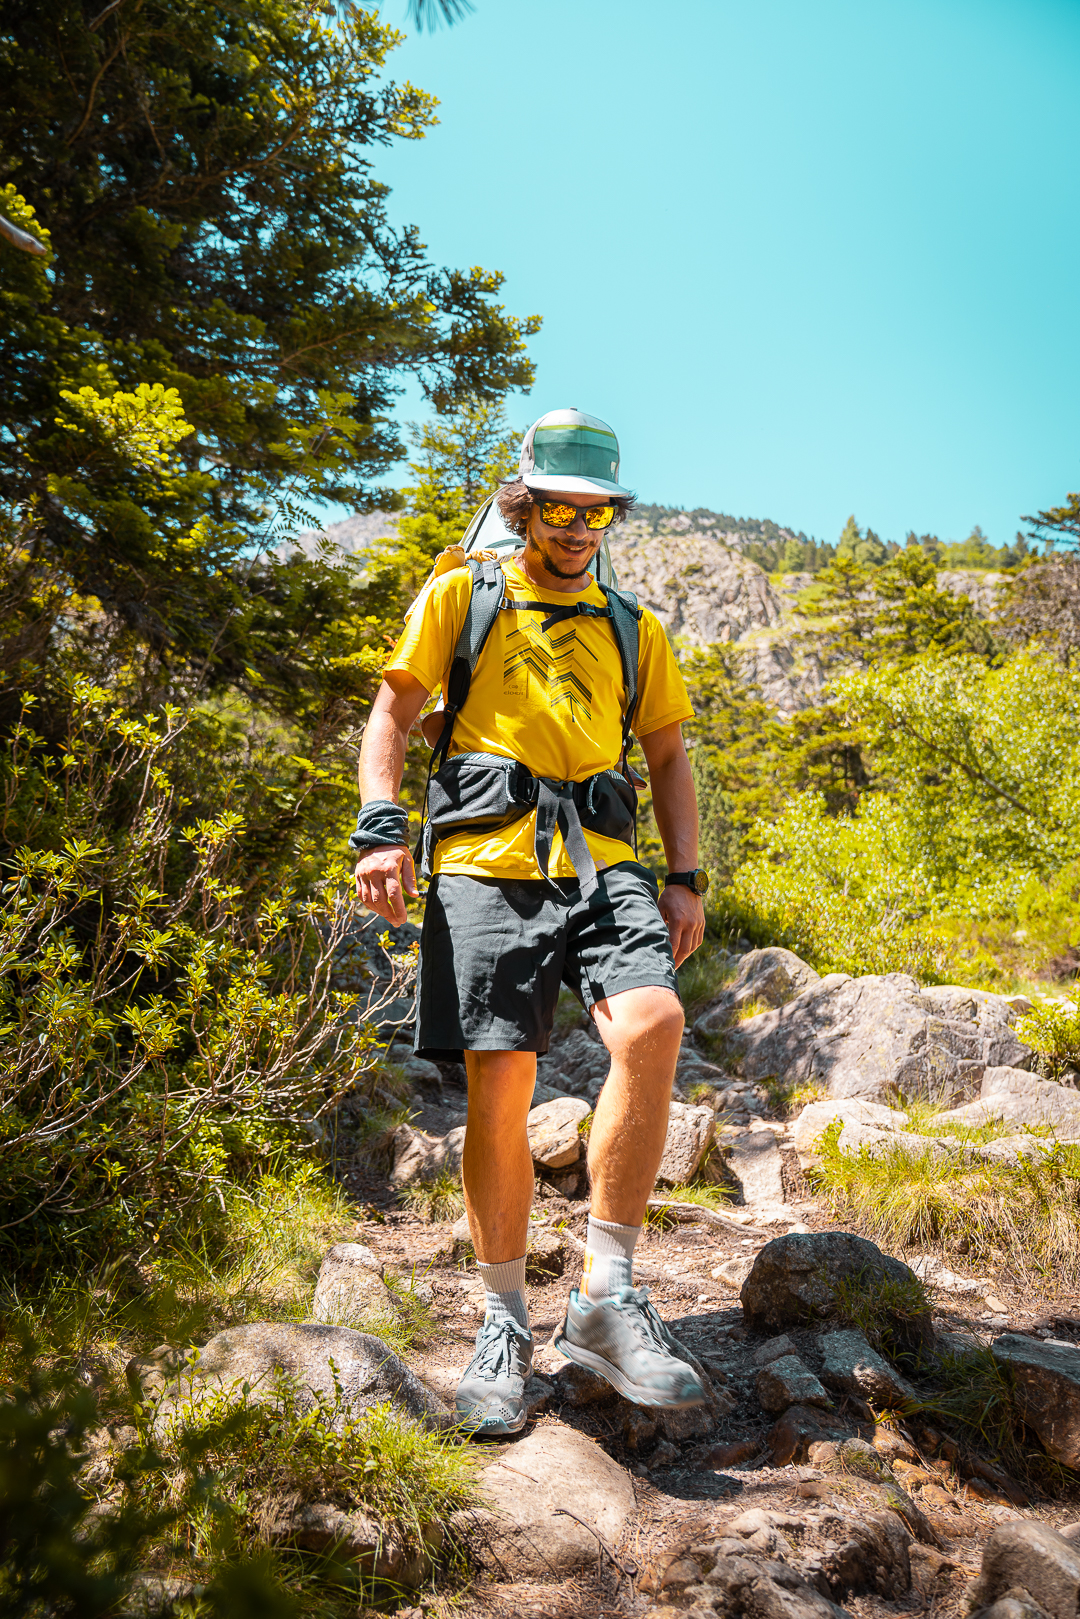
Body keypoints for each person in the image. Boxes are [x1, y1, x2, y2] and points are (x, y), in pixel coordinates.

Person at [352, 407, 711, 1437]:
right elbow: (394, 710)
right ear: (527, 502)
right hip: (482, 861)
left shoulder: (634, 626)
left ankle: (605, 1293)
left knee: (651, 1024)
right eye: (559, 507)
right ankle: (503, 1320)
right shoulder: (462, 593)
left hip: (603, 860)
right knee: (499, 1081)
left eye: (594, 510)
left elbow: (670, 756)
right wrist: (382, 829)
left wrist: (683, 874)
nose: (576, 526)